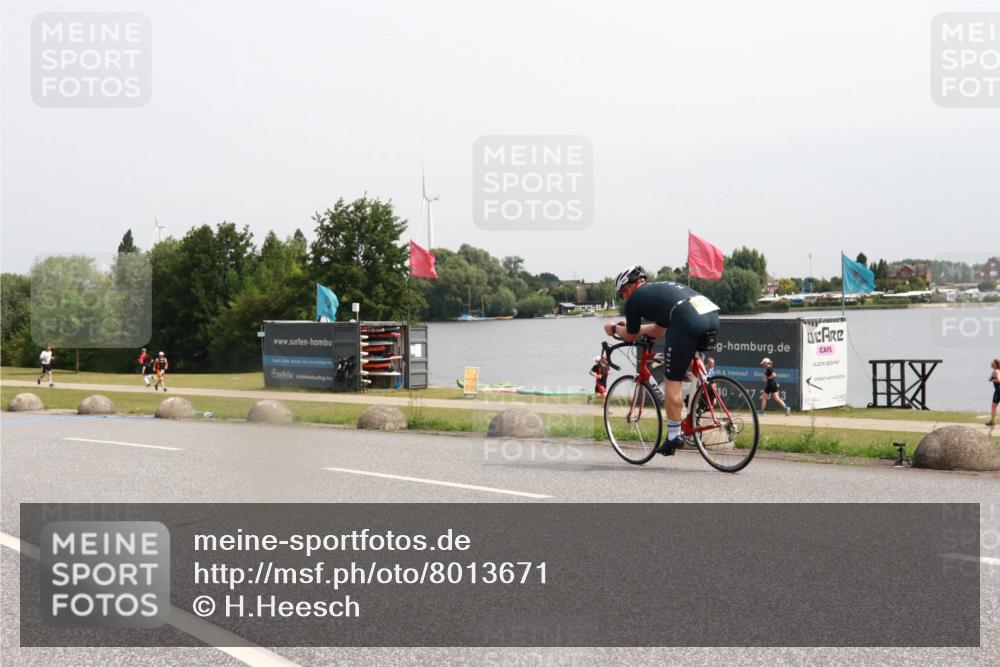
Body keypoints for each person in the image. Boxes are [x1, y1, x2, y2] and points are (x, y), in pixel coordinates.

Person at [604, 265, 720, 456]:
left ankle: (674, 435)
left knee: (671, 380)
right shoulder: (659, 291)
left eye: (622, 293)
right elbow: (659, 330)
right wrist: (638, 329)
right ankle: (705, 393)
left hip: (687, 319)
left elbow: (631, 337)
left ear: (628, 288)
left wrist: (614, 328)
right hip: (710, 315)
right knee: (688, 357)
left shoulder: (634, 300)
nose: (624, 298)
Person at [988, 359, 1000, 426]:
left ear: (996, 364)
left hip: (998, 390)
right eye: (991, 363)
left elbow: (998, 380)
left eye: (993, 363)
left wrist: (991, 379)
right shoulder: (998, 370)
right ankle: (992, 421)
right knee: (994, 406)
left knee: (993, 406)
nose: (991, 363)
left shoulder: (996, 371)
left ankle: (992, 422)